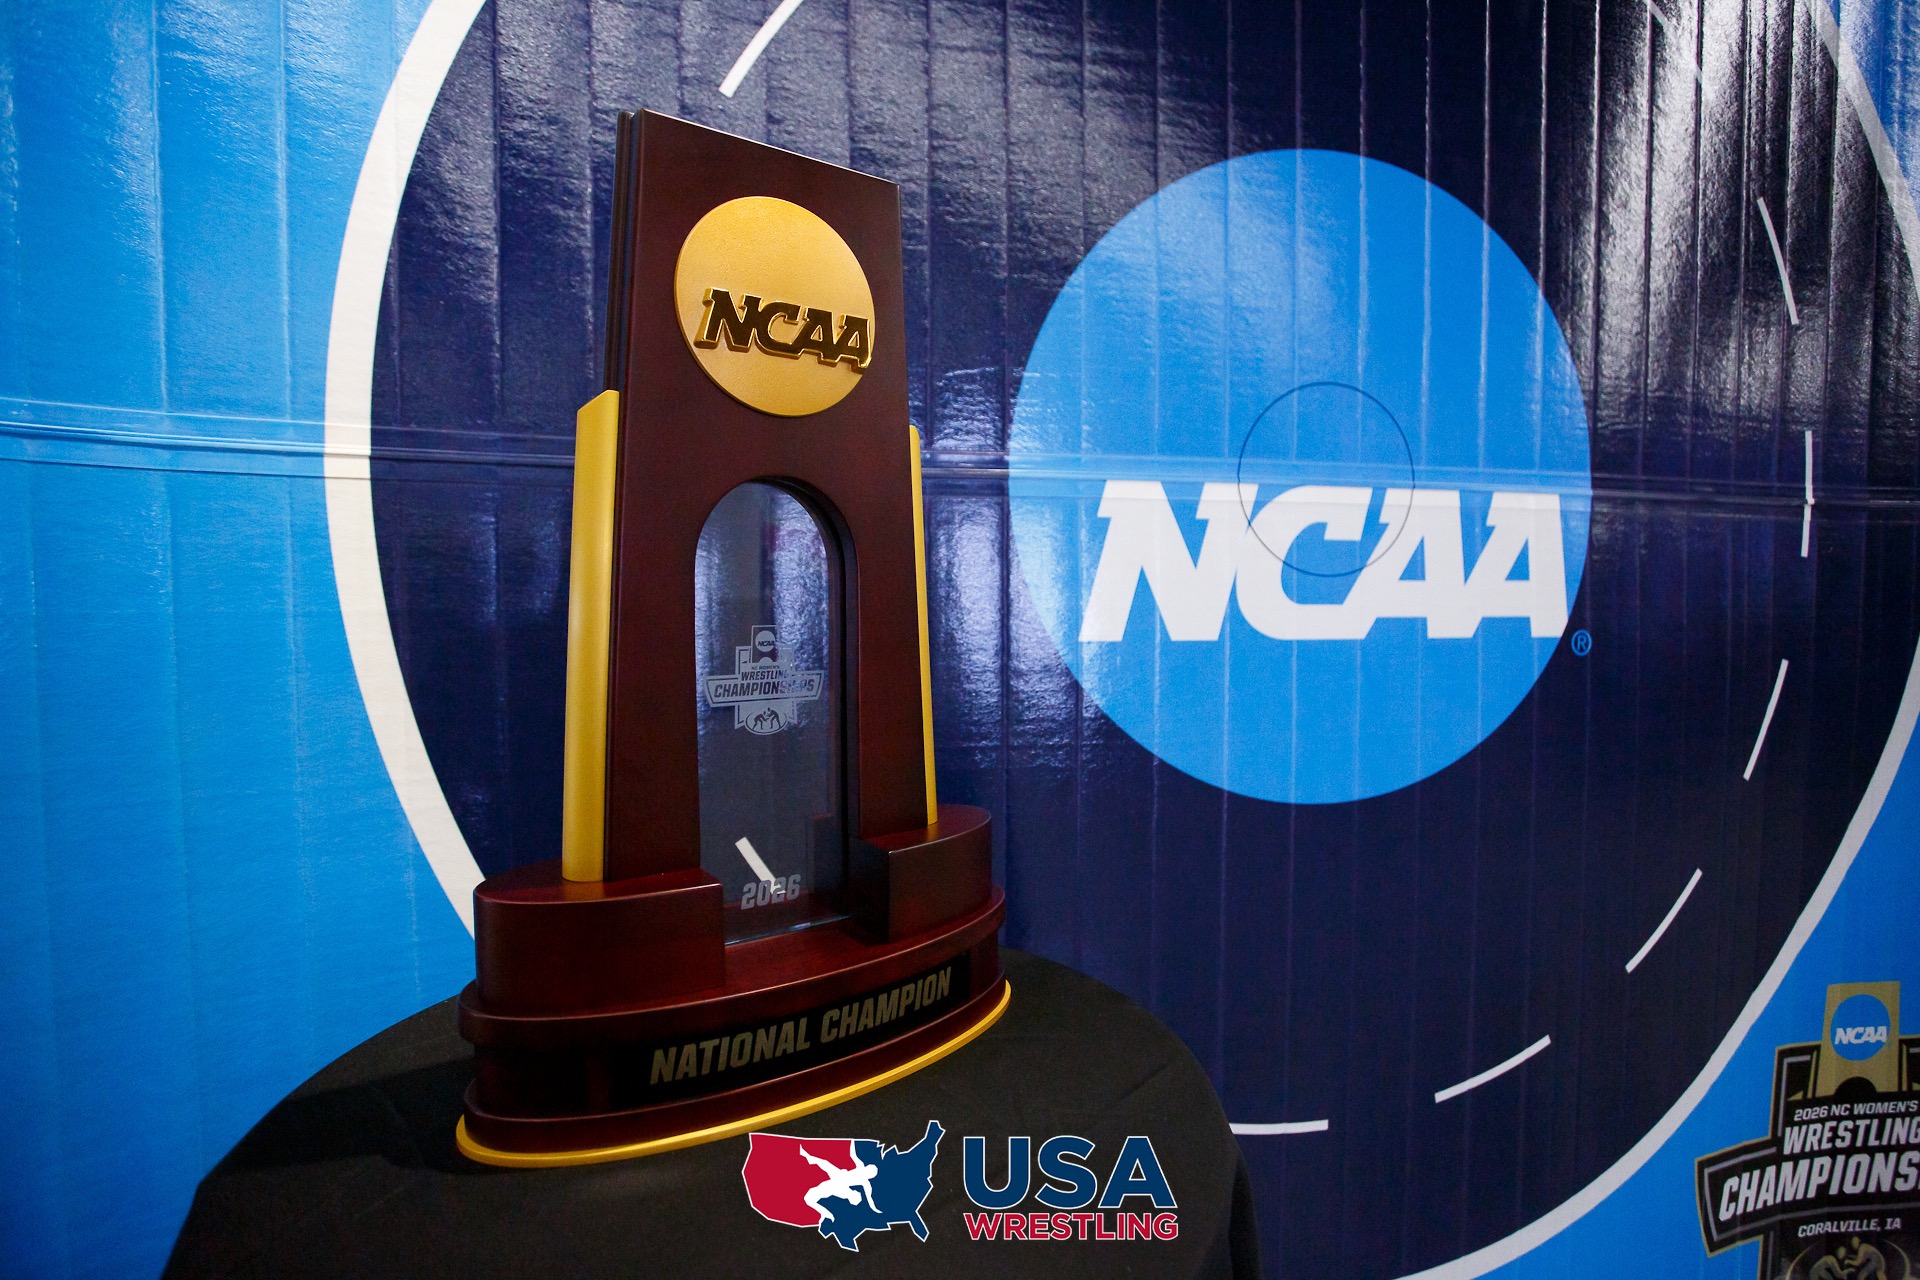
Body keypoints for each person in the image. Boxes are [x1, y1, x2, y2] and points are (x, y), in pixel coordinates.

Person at [799, 1146, 879, 1224]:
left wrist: (874, 1208)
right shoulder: (860, 1166)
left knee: (809, 1197)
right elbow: (852, 1154)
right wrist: (852, 1142)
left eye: (869, 1173)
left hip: (839, 1185)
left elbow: (869, 1198)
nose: (867, 1171)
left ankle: (825, 1213)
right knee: (824, 1163)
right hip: (839, 1175)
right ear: (867, 1167)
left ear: (870, 1176)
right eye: (868, 1169)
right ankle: (807, 1156)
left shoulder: (865, 1182)